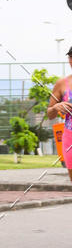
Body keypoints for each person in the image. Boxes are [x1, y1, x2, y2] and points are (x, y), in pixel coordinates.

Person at [47, 49, 72, 181]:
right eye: (70, 57)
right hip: (69, 136)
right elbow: (50, 114)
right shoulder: (61, 84)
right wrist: (56, 107)